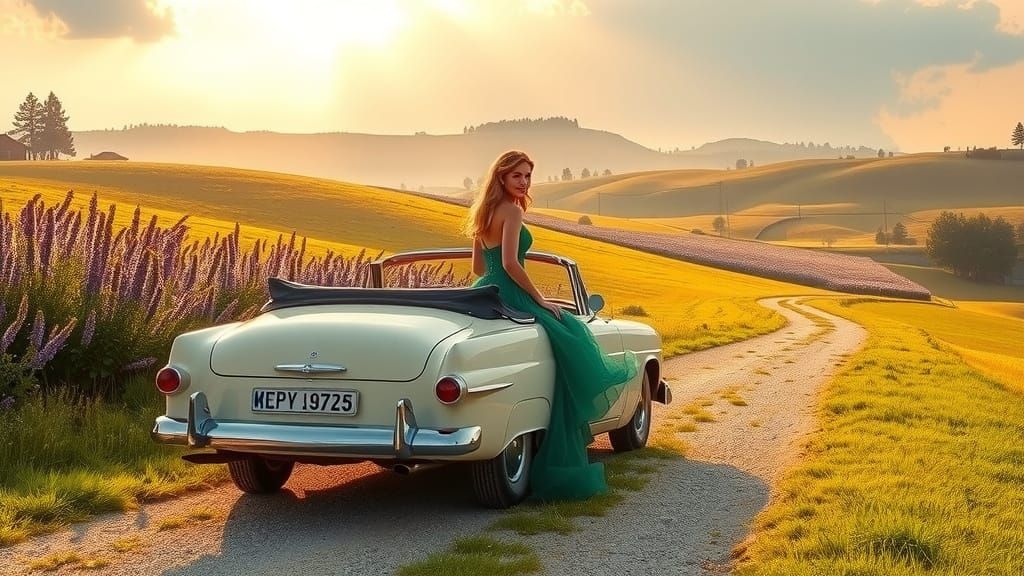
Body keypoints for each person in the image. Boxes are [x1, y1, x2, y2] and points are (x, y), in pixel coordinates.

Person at [464, 150, 638, 501]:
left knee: (566, 335)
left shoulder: (482, 213)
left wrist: (500, 280)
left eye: (528, 176)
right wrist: (541, 300)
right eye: (518, 176)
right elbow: (512, 263)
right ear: (502, 177)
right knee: (573, 332)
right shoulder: (512, 210)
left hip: (485, 292)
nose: (525, 182)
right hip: (513, 291)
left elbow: (479, 269)